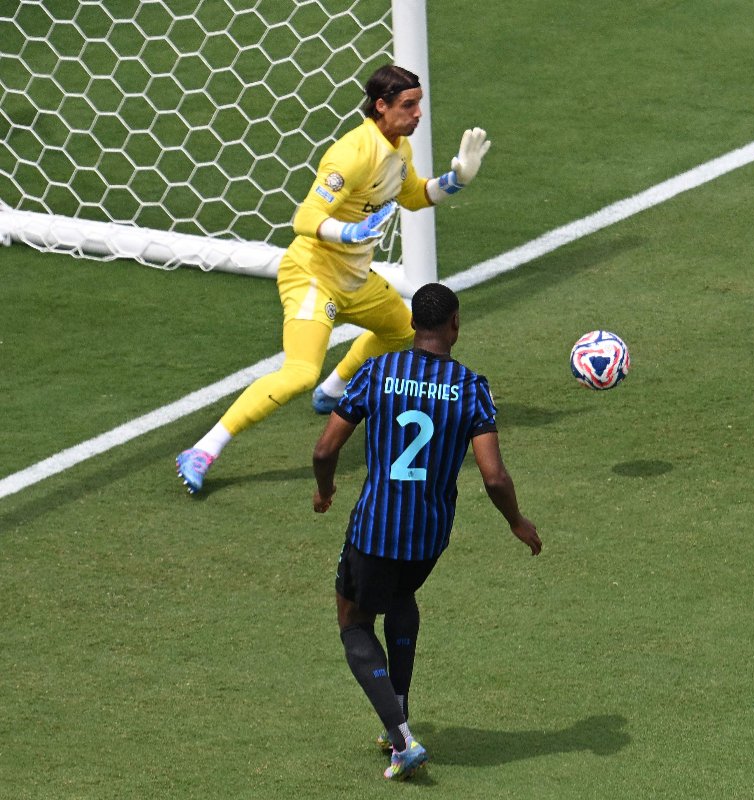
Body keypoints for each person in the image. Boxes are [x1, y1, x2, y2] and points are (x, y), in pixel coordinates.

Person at [176, 64, 492, 494]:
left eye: (419, 104)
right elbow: (304, 217)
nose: (418, 114)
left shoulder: (398, 149)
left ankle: (335, 389)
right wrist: (349, 232)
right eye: (408, 105)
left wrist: (456, 181)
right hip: (314, 276)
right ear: (381, 106)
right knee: (299, 371)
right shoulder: (353, 153)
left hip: (355, 279)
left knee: (404, 330)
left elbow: (414, 195)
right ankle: (203, 449)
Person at [311, 282, 541, 780]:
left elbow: (325, 450)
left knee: (353, 624)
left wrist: (324, 490)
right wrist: (517, 522)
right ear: (454, 324)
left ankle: (401, 739)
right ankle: (399, 705)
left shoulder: (377, 372)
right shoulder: (472, 388)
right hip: (429, 536)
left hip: (376, 529)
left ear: (414, 323)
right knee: (401, 596)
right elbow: (494, 476)